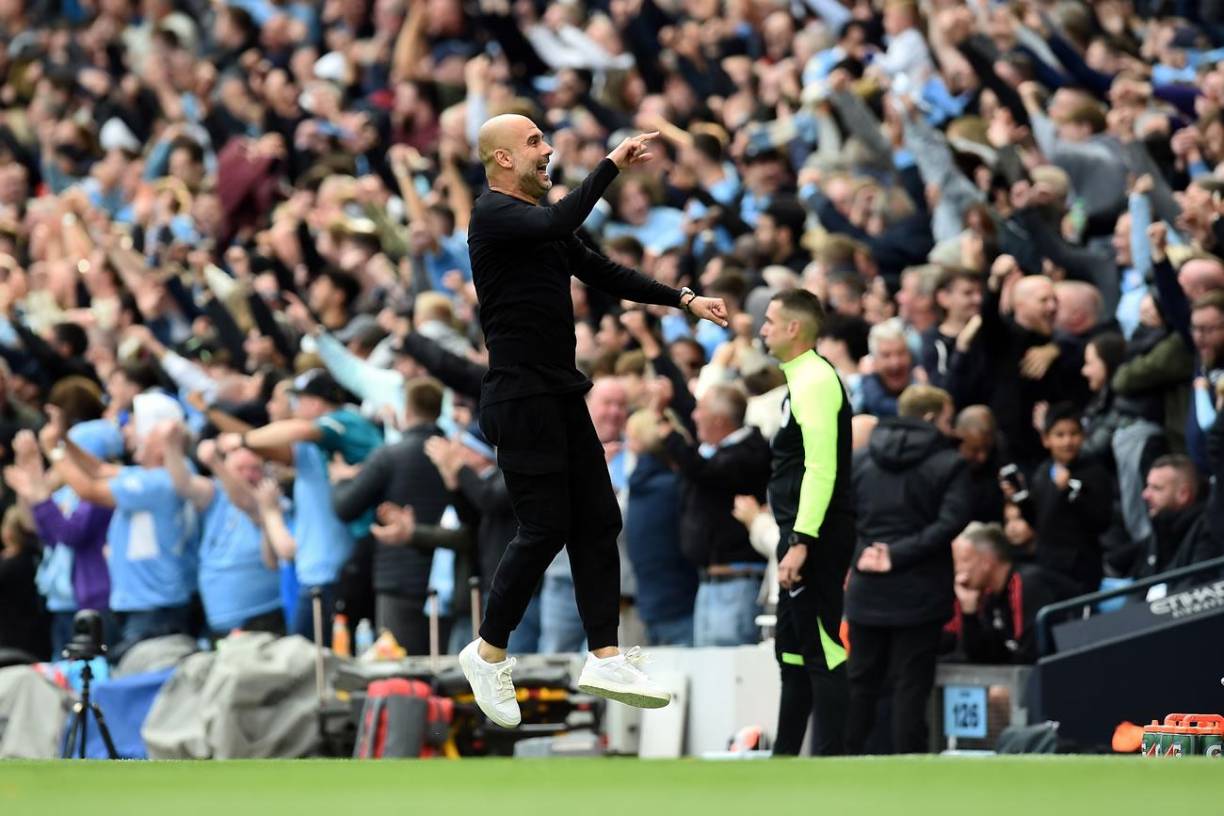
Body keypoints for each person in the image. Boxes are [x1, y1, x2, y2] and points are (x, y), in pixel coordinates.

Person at [457, 114, 728, 728]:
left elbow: (602, 271)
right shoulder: (495, 216)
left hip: (556, 393)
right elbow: (559, 219)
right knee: (545, 525)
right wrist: (609, 164)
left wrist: (682, 298)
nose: (545, 149)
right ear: (502, 160)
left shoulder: (539, 222)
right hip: (520, 399)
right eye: (532, 142)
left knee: (600, 518)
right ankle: (487, 649)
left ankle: (605, 655)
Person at [844, 385, 972, 754]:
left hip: (867, 586)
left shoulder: (862, 460)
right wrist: (898, 554)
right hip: (921, 589)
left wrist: (864, 553)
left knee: (860, 680)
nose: (952, 428)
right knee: (911, 684)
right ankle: (910, 768)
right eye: (948, 419)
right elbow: (953, 520)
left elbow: (841, 514)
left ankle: (839, 761)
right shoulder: (949, 464)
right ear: (931, 418)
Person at [758, 289, 856, 757]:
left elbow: (822, 467)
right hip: (798, 535)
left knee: (821, 648)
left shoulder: (816, 379)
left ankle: (833, 761)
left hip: (813, 537)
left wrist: (801, 541)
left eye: (769, 320)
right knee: (792, 653)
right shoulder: (800, 380)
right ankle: (786, 760)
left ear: (793, 328)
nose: (763, 329)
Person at [46, 392, 197, 656]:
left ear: (159, 440)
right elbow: (98, 470)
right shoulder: (161, 475)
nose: (127, 432)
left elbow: (89, 489)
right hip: (147, 604)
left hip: (153, 608)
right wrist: (65, 440)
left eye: (135, 425)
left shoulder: (159, 483)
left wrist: (53, 451)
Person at [332, 378, 451, 654]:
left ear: (406, 412)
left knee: (400, 672)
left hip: (398, 579)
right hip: (448, 580)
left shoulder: (389, 456)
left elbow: (345, 507)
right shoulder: (455, 453)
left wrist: (340, 479)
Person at [661, 383, 772, 647]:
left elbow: (706, 472)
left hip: (739, 583)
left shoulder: (750, 452)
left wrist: (669, 434)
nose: (695, 416)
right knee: (708, 673)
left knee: (730, 673)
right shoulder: (721, 451)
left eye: (701, 410)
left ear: (719, 419)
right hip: (711, 581)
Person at [161, 422, 283, 638]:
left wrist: (216, 463)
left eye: (254, 469)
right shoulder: (216, 492)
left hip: (261, 614)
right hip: (220, 620)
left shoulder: (269, 498)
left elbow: (246, 502)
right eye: (240, 469)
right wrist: (170, 445)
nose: (248, 475)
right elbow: (183, 484)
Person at [1009, 403, 1112, 593]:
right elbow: (1038, 522)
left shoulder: (1094, 471)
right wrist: (1020, 497)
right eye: (1060, 435)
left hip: (1081, 566)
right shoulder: (1042, 473)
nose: (1067, 441)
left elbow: (1101, 521)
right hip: (1049, 563)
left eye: (1073, 433)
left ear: (1083, 436)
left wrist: (1070, 492)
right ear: (1046, 439)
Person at [954, 522, 1080, 664]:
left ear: (986, 561)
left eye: (964, 560)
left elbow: (1031, 652)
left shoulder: (1026, 584)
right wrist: (969, 612)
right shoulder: (990, 594)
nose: (958, 569)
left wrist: (1004, 682)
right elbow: (983, 657)